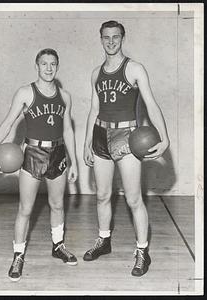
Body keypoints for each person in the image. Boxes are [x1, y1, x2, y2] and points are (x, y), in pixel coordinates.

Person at [83, 20, 170, 277]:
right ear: (100, 39)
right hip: (100, 134)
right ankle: (104, 240)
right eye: (106, 37)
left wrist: (164, 138)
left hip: (127, 136)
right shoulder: (95, 73)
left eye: (116, 37)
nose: (111, 42)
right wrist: (87, 141)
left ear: (123, 38)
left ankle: (143, 251)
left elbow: (152, 105)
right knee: (102, 195)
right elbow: (94, 109)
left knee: (133, 198)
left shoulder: (134, 69)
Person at [0, 48, 78, 282]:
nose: (48, 68)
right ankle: (18, 255)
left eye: (53, 64)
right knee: (25, 209)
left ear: (58, 66)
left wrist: (74, 162)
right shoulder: (26, 92)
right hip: (33, 152)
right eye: (44, 63)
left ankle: (58, 246)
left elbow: (68, 130)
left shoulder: (65, 96)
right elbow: (8, 123)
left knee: (57, 204)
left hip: (58, 153)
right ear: (36, 66)